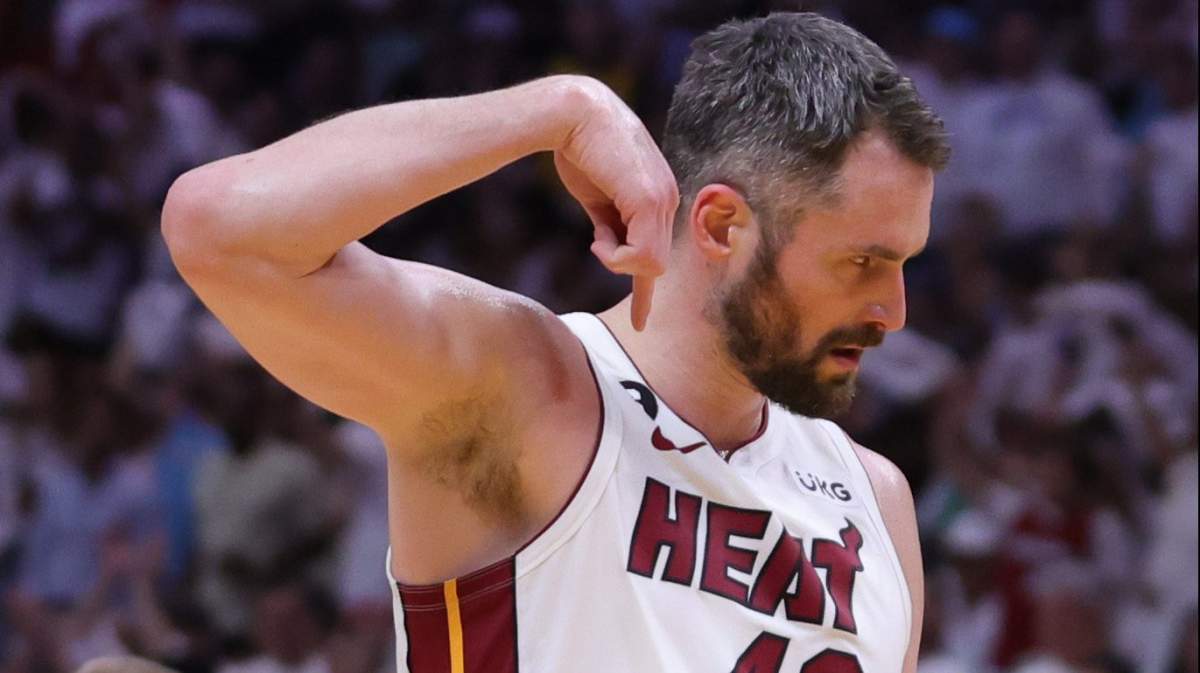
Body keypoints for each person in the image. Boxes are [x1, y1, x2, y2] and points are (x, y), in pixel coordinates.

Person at [163, 11, 948, 673]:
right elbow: (220, 230)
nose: (894, 310)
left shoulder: (876, 500)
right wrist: (556, 108)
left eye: (905, 263)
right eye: (862, 262)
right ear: (719, 226)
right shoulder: (527, 390)